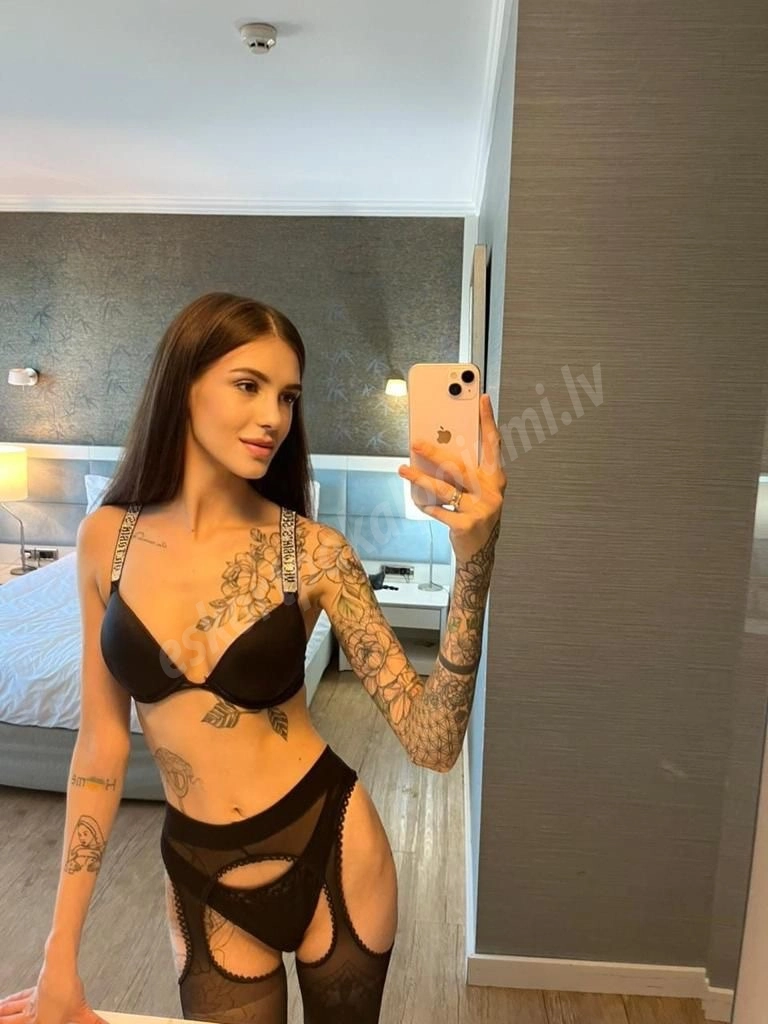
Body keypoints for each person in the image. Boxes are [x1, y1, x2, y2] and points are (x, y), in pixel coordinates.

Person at [0, 292, 506, 1024]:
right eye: (248, 385)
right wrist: (61, 952)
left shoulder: (314, 554)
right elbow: (101, 746)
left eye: (288, 396)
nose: (273, 416)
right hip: (198, 869)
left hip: (332, 846)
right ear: (183, 385)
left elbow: (433, 743)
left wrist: (474, 561)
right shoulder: (105, 539)